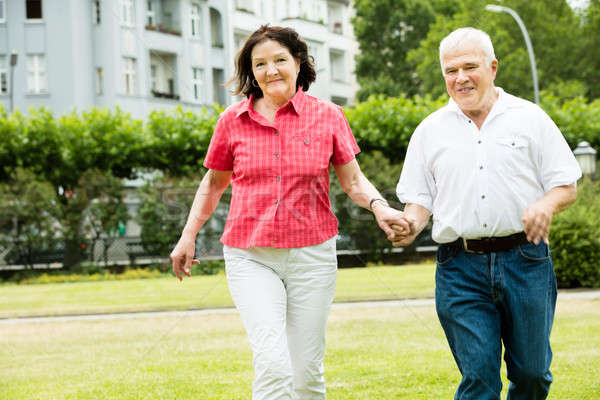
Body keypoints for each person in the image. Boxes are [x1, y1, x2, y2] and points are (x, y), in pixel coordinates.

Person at [170, 25, 408, 400]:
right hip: (251, 257)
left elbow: (354, 181)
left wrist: (379, 207)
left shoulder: (328, 116)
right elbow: (213, 184)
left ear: (298, 62)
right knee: (272, 362)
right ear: (252, 71)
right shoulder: (232, 121)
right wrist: (188, 236)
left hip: (312, 256)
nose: (270, 70)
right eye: (260, 63)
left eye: (279, 60)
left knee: (307, 372)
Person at [392, 27, 581, 399]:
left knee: (532, 375)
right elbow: (419, 200)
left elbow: (566, 185)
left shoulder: (530, 118)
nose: (460, 78)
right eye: (450, 70)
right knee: (478, 376)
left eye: (469, 67)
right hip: (459, 267)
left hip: (525, 261)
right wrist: (410, 224)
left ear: (492, 67)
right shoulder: (430, 131)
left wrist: (545, 204)